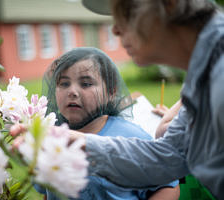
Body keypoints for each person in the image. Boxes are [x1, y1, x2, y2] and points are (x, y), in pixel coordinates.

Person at [68, 0, 223, 199]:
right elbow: (168, 156)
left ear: (170, 4)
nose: (115, 29)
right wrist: (76, 141)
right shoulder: (203, 74)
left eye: (127, 11)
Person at [35, 47, 180, 199]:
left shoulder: (131, 137)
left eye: (86, 84)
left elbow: (168, 185)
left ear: (111, 92)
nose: (72, 91)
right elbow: (47, 191)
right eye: (64, 84)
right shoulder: (49, 139)